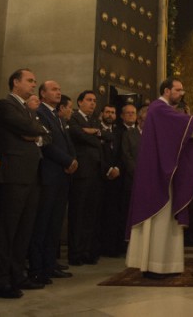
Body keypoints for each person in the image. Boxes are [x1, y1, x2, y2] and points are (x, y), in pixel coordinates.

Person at [125, 78, 193, 279]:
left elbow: (180, 133)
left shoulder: (163, 110)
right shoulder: (158, 108)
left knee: (166, 222)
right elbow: (182, 124)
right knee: (158, 218)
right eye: (178, 90)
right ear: (167, 91)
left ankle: (165, 264)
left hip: (161, 172)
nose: (182, 93)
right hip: (157, 175)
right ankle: (154, 266)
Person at [0, 68, 50, 299]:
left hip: (31, 176)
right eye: (30, 81)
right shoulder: (6, 105)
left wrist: (35, 133)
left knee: (24, 230)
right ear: (15, 82)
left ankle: (17, 274)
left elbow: (46, 133)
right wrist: (35, 132)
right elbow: (31, 129)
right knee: (7, 230)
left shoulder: (28, 110)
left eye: (35, 81)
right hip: (13, 176)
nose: (34, 85)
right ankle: (1, 280)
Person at [28, 81, 77, 285]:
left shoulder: (56, 115)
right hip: (49, 175)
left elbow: (66, 142)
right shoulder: (40, 112)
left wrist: (73, 160)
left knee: (55, 224)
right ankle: (37, 268)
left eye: (59, 88)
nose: (59, 92)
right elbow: (46, 145)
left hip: (62, 176)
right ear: (42, 93)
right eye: (54, 89)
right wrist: (67, 161)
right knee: (43, 223)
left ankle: (50, 265)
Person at [67, 90, 103, 265]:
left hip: (95, 173)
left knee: (90, 214)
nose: (92, 103)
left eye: (94, 101)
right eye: (89, 100)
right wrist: (92, 135)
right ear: (79, 102)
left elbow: (105, 137)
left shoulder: (95, 120)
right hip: (81, 173)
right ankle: (75, 252)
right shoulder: (74, 118)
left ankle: (87, 250)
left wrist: (92, 133)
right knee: (78, 214)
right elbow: (76, 134)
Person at [97, 104, 124, 257]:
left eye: (113, 113)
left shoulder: (119, 132)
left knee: (114, 214)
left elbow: (122, 152)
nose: (110, 115)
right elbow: (98, 153)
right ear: (102, 114)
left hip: (117, 177)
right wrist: (108, 169)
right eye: (107, 112)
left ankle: (112, 247)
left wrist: (117, 168)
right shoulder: (96, 130)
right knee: (100, 214)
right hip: (101, 176)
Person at [118, 103, 141, 254]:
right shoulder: (123, 133)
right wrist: (137, 172)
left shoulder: (139, 133)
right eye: (128, 113)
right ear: (122, 115)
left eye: (133, 113)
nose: (131, 115)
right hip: (127, 178)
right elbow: (126, 156)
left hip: (140, 180)